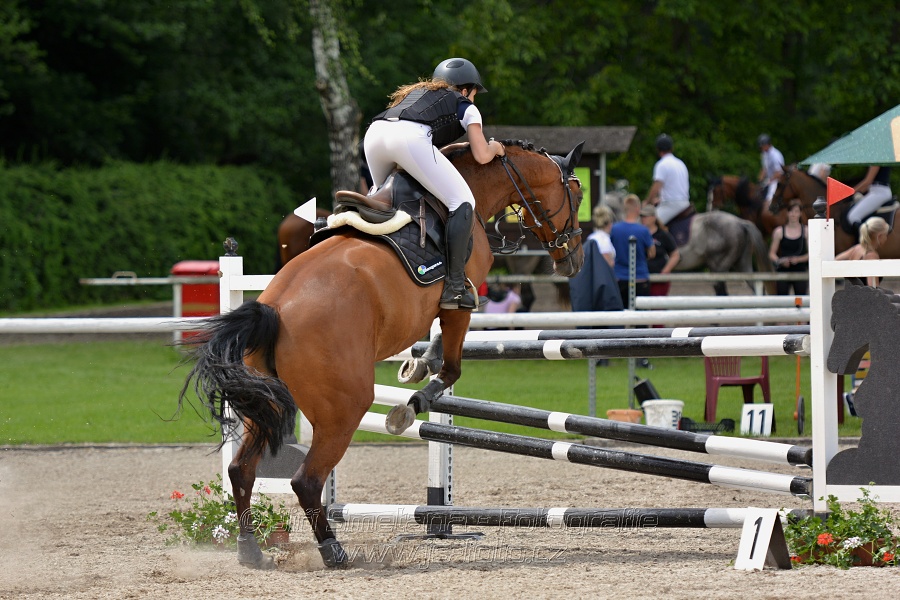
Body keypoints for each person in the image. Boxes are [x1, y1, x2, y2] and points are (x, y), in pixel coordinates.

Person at [363, 58, 506, 310]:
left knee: (380, 199)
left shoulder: (417, 95)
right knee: (463, 201)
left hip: (375, 134)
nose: (474, 99)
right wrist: (495, 147)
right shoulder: (465, 105)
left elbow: (420, 140)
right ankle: (455, 287)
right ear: (465, 89)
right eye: (474, 94)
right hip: (409, 140)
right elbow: (482, 155)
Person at [611, 194, 656, 306]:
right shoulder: (643, 230)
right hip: (640, 276)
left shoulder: (614, 229)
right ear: (637, 209)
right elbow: (652, 253)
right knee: (641, 314)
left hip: (619, 277)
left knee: (620, 312)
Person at [644, 133, 690, 229]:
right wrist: (660, 199)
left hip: (671, 206)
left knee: (648, 223)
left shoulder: (662, 164)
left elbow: (656, 187)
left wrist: (648, 202)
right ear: (671, 148)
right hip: (686, 203)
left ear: (658, 149)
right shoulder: (681, 163)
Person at [767, 200, 809, 295]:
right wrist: (780, 261)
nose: (793, 214)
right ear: (787, 213)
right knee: (782, 298)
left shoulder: (807, 231)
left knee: (800, 299)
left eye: (796, 211)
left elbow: (812, 253)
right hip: (783, 270)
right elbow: (772, 254)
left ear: (800, 213)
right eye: (791, 211)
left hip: (800, 271)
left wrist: (798, 259)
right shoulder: (779, 231)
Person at [836, 216, 889, 287]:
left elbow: (836, 260)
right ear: (879, 236)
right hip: (864, 293)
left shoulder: (857, 248)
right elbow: (873, 286)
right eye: (885, 235)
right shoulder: (871, 255)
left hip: (852, 291)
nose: (886, 238)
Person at [640, 204, 680, 297]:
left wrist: (665, 271)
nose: (643, 219)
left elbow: (675, 255)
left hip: (658, 277)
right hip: (642, 278)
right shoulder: (639, 234)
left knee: (657, 303)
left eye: (646, 216)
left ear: (653, 217)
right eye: (641, 216)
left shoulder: (663, 235)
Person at [757, 133, 784, 206]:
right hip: (769, 179)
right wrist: (759, 181)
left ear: (767, 145)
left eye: (762, 146)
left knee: (770, 198)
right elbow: (764, 168)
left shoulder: (776, 155)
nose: (761, 148)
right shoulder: (764, 154)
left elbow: (778, 172)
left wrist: (769, 181)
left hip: (777, 180)